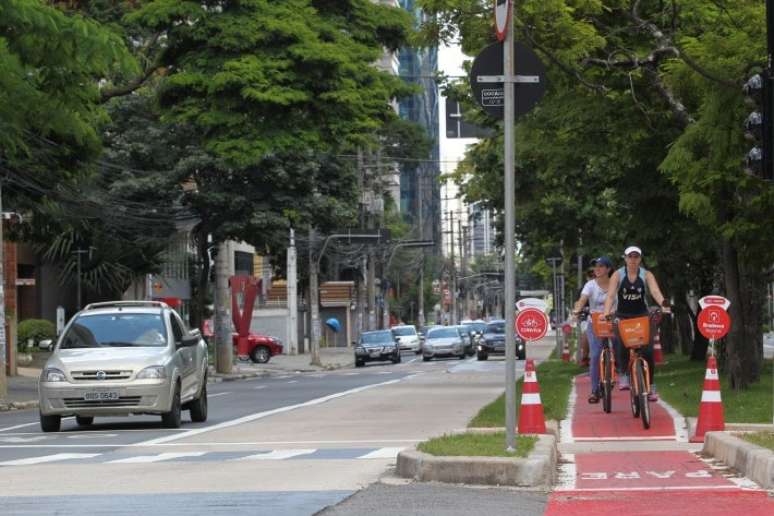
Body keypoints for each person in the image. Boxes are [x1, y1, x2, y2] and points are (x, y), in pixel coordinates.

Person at [603, 246, 669, 401]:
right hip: (623, 316)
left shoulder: (646, 274)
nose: (633, 260)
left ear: (640, 259)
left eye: (636, 257)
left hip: (642, 316)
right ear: (625, 258)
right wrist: (606, 312)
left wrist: (663, 304)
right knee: (620, 342)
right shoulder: (618, 275)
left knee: (647, 351)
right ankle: (624, 374)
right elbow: (611, 296)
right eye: (630, 257)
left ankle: (651, 386)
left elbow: (655, 292)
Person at [571, 256, 614, 404]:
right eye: (595, 266)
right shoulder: (590, 285)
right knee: (595, 355)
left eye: (601, 266)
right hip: (594, 322)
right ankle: (595, 390)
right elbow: (582, 300)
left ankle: (625, 377)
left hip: (614, 321)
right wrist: (577, 310)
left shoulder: (616, 283)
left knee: (623, 349)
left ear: (608, 269)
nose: (597, 269)